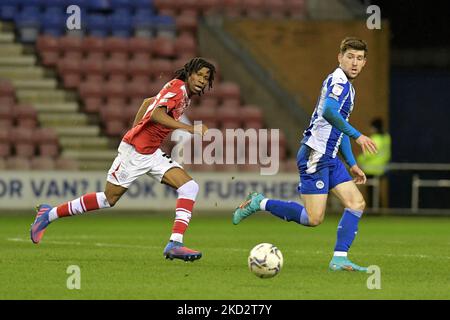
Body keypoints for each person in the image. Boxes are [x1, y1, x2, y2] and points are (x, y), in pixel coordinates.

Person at [30, 57, 216, 262]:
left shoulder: (181, 92)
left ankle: (175, 243)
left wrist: (135, 129)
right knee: (108, 199)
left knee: (189, 187)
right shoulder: (178, 89)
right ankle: (49, 215)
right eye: (198, 74)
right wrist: (190, 129)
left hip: (151, 152)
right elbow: (155, 114)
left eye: (206, 78)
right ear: (189, 74)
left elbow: (147, 102)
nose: (201, 80)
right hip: (135, 153)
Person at [232, 37, 378, 271]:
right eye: (349, 56)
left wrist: (351, 163)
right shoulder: (339, 80)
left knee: (356, 203)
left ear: (364, 63)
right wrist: (358, 136)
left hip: (330, 157)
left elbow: (339, 125)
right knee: (314, 218)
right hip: (316, 155)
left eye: (359, 58)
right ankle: (260, 202)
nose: (354, 62)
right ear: (339, 58)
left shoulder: (348, 88)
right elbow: (330, 112)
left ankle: (339, 259)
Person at [357, 118, 391, 208]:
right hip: (382, 167)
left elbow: (368, 154)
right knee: (375, 190)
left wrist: (358, 159)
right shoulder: (387, 138)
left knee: (371, 190)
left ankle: (373, 209)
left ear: (374, 128)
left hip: (371, 168)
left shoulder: (375, 139)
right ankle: (377, 207)